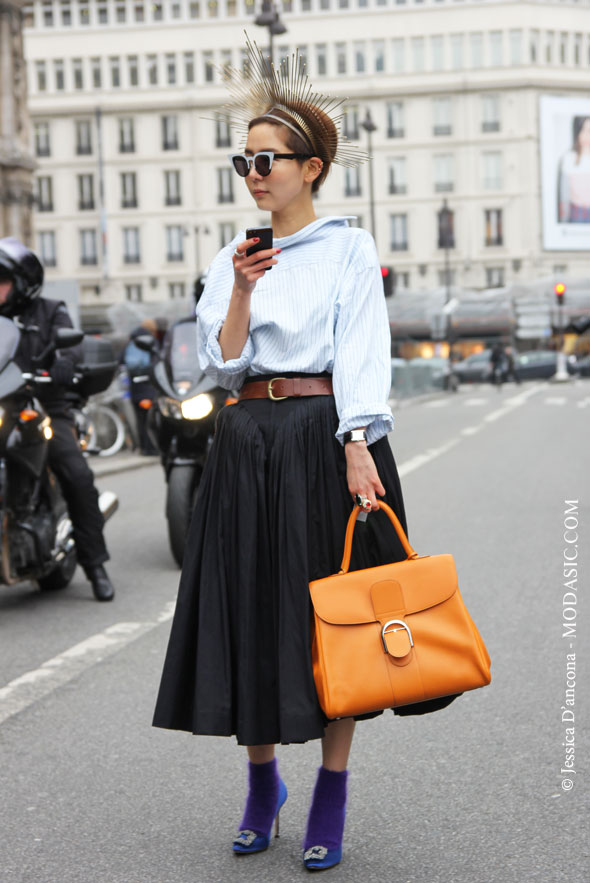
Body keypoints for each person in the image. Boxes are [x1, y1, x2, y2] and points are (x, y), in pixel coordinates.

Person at [152, 38, 453, 872]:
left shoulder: (349, 249)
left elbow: (362, 346)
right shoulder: (231, 256)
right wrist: (244, 287)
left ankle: (331, 789)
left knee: (335, 620)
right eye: (243, 159)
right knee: (251, 608)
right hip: (245, 442)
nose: (253, 171)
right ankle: (260, 784)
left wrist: (361, 441)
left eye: (269, 158)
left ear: (311, 167)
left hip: (324, 441)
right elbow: (219, 362)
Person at [0, 237, 115, 602]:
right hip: (4, 408)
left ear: (23, 281)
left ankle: (95, 564)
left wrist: (65, 366)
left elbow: (70, 347)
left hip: (43, 407)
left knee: (75, 474)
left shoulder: (51, 311)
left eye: (2, 279)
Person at [121, 318, 166, 455]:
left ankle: (146, 447)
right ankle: (150, 448)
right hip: (144, 386)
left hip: (137, 387)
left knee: (142, 419)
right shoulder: (142, 343)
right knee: (148, 418)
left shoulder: (133, 342)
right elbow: (136, 364)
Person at [557, 116, 590, 223]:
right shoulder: (568, 158)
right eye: (584, 130)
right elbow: (564, 195)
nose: (587, 136)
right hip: (577, 214)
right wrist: (563, 221)